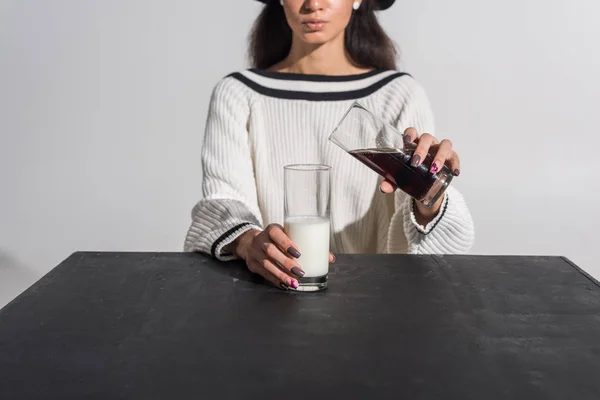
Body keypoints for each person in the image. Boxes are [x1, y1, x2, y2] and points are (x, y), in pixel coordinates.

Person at [184, 0, 474, 289]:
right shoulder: (238, 94)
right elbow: (224, 201)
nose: (313, 4)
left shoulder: (398, 94)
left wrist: (430, 198)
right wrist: (248, 242)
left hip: (376, 305)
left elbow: (432, 241)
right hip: (270, 300)